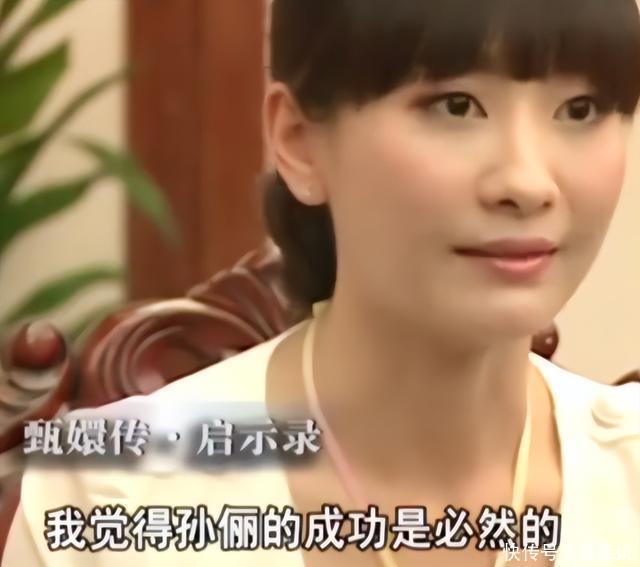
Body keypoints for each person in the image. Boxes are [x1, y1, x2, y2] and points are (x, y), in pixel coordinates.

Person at [3, 0, 640, 566]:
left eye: (580, 109)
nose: (528, 184)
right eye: (456, 105)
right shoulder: (108, 503)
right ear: (299, 141)